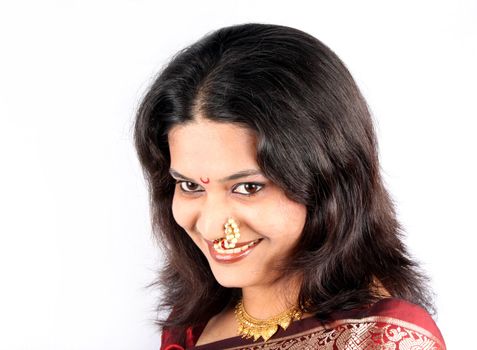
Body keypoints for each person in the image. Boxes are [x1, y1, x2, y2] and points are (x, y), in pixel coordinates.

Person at [133, 23, 446, 349]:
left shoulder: (380, 339)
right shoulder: (191, 328)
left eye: (248, 188)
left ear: (327, 181)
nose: (211, 226)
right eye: (190, 185)